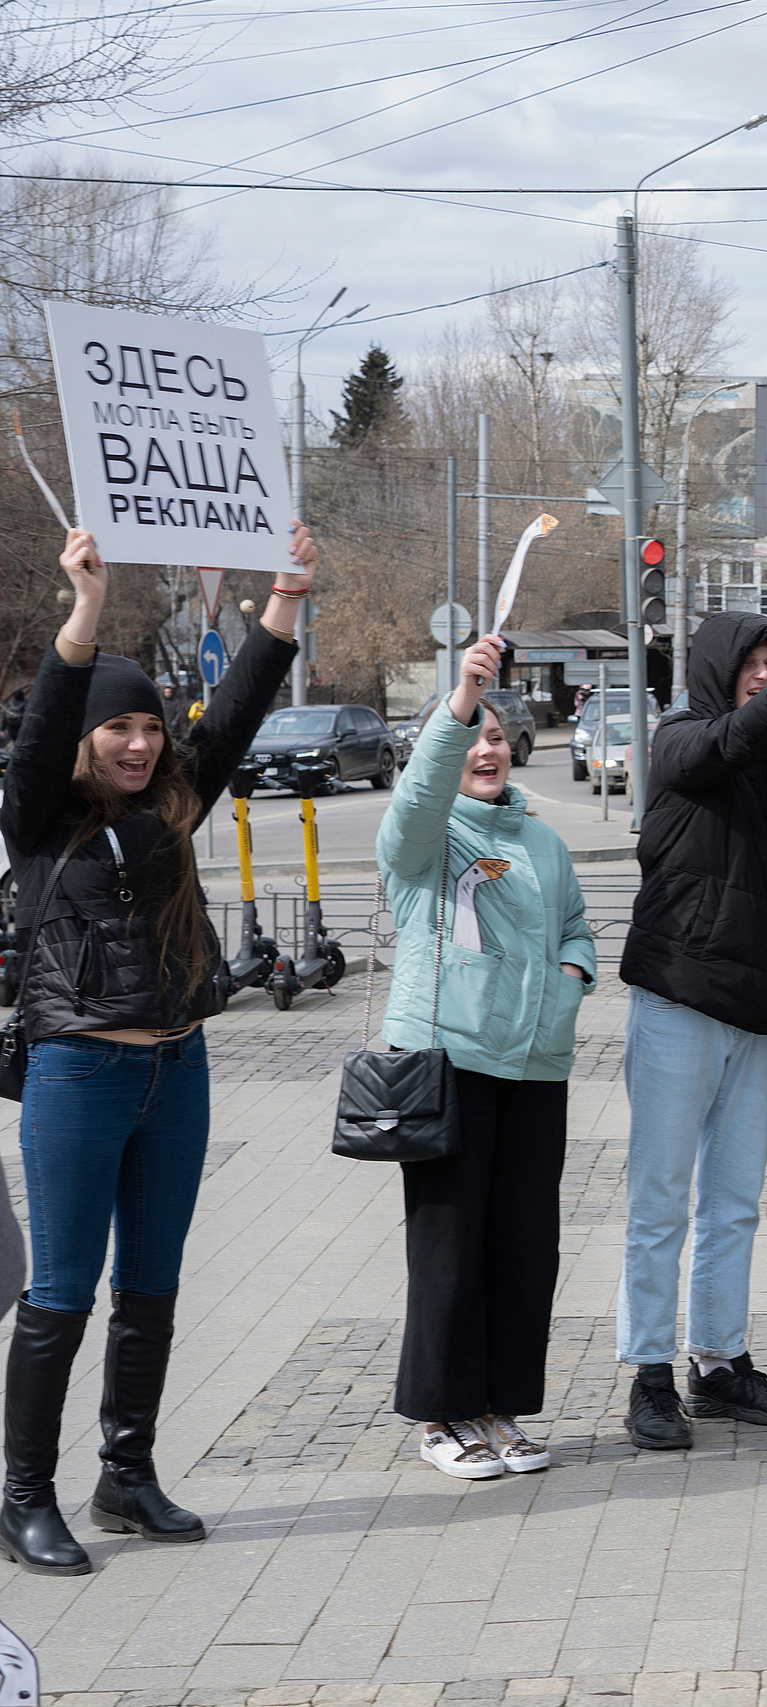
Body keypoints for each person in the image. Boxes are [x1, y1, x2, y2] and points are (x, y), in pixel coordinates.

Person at [0, 523, 312, 1577]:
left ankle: (126, 1476)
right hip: (77, 1072)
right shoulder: (38, 817)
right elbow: (44, 728)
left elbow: (232, 715)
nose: (138, 745)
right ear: (86, 740)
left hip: (178, 1069)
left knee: (154, 1283)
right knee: (62, 1290)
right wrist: (84, 610)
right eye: (116, 731)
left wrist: (283, 604)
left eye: (147, 727)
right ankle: (23, 1498)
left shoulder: (176, 803)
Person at [379, 632, 595, 1479]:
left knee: (522, 1244)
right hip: (449, 1060)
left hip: (535, 1064)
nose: (486, 749)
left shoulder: (542, 839)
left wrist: (573, 971)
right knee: (450, 1245)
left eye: (498, 736)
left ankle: (499, 1408)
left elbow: (575, 922)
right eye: (472, 736)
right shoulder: (427, 834)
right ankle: (443, 1412)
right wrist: (460, 700)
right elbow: (420, 792)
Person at [616, 613, 767, 1450]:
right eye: (754, 662)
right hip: (677, 998)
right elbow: (721, 748)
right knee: (661, 1198)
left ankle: (720, 1360)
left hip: (756, 1013)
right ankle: (649, 1373)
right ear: (720, 670)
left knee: (736, 1202)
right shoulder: (677, 739)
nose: (766, 673)